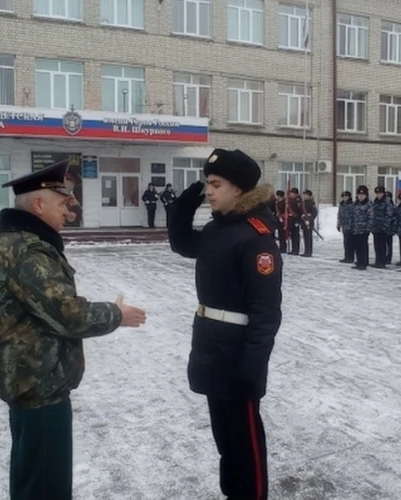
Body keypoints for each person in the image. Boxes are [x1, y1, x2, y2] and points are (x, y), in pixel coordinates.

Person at [0, 159, 147, 500]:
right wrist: (117, 314)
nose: (68, 213)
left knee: (34, 479)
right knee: (45, 487)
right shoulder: (25, 250)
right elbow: (67, 314)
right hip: (39, 387)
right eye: (62, 204)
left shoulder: (19, 244)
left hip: (32, 383)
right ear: (38, 204)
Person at [168, 148, 282, 500]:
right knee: (225, 441)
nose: (210, 191)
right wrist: (183, 206)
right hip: (212, 347)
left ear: (239, 189)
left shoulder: (256, 237)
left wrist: (253, 364)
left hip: (237, 355)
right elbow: (183, 244)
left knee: (246, 445)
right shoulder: (220, 228)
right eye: (208, 184)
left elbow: (266, 312)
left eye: (216, 184)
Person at [370, 186, 394, 268]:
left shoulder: (387, 202)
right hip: (376, 227)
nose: (378, 195)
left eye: (380, 193)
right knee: (376, 245)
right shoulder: (376, 201)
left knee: (382, 246)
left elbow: (389, 215)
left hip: (383, 227)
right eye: (377, 193)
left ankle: (382, 261)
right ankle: (378, 261)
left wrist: (385, 226)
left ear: (383, 193)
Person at [352, 186, 373, 271]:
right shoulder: (355, 204)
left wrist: (368, 228)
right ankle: (359, 262)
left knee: (363, 246)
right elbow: (352, 215)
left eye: (363, 195)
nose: (361, 196)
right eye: (359, 195)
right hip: (356, 228)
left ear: (366, 195)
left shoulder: (369, 204)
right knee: (357, 246)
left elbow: (371, 217)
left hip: (364, 229)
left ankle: (363, 263)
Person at [337, 191, 354, 263]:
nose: (345, 198)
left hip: (350, 226)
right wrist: (338, 224)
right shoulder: (342, 205)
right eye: (343, 197)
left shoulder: (352, 205)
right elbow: (339, 215)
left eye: (346, 197)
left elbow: (353, 216)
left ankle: (350, 257)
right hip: (344, 226)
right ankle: (347, 256)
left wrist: (351, 225)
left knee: (350, 243)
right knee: (346, 242)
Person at [301, 190, 318, 257]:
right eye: (304, 195)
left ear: (309, 196)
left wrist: (310, 220)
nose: (304, 196)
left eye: (306, 195)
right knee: (305, 237)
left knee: (308, 238)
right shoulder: (303, 203)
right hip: (304, 221)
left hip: (308, 222)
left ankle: (309, 252)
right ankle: (306, 251)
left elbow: (314, 213)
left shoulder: (311, 203)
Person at [287, 188, 303, 255]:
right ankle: (293, 249)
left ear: (295, 193)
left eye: (291, 193)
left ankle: (296, 250)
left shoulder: (297, 200)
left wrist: (298, 220)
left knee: (296, 235)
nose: (290, 194)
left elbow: (299, 211)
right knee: (293, 235)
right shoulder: (291, 200)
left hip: (295, 219)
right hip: (291, 219)